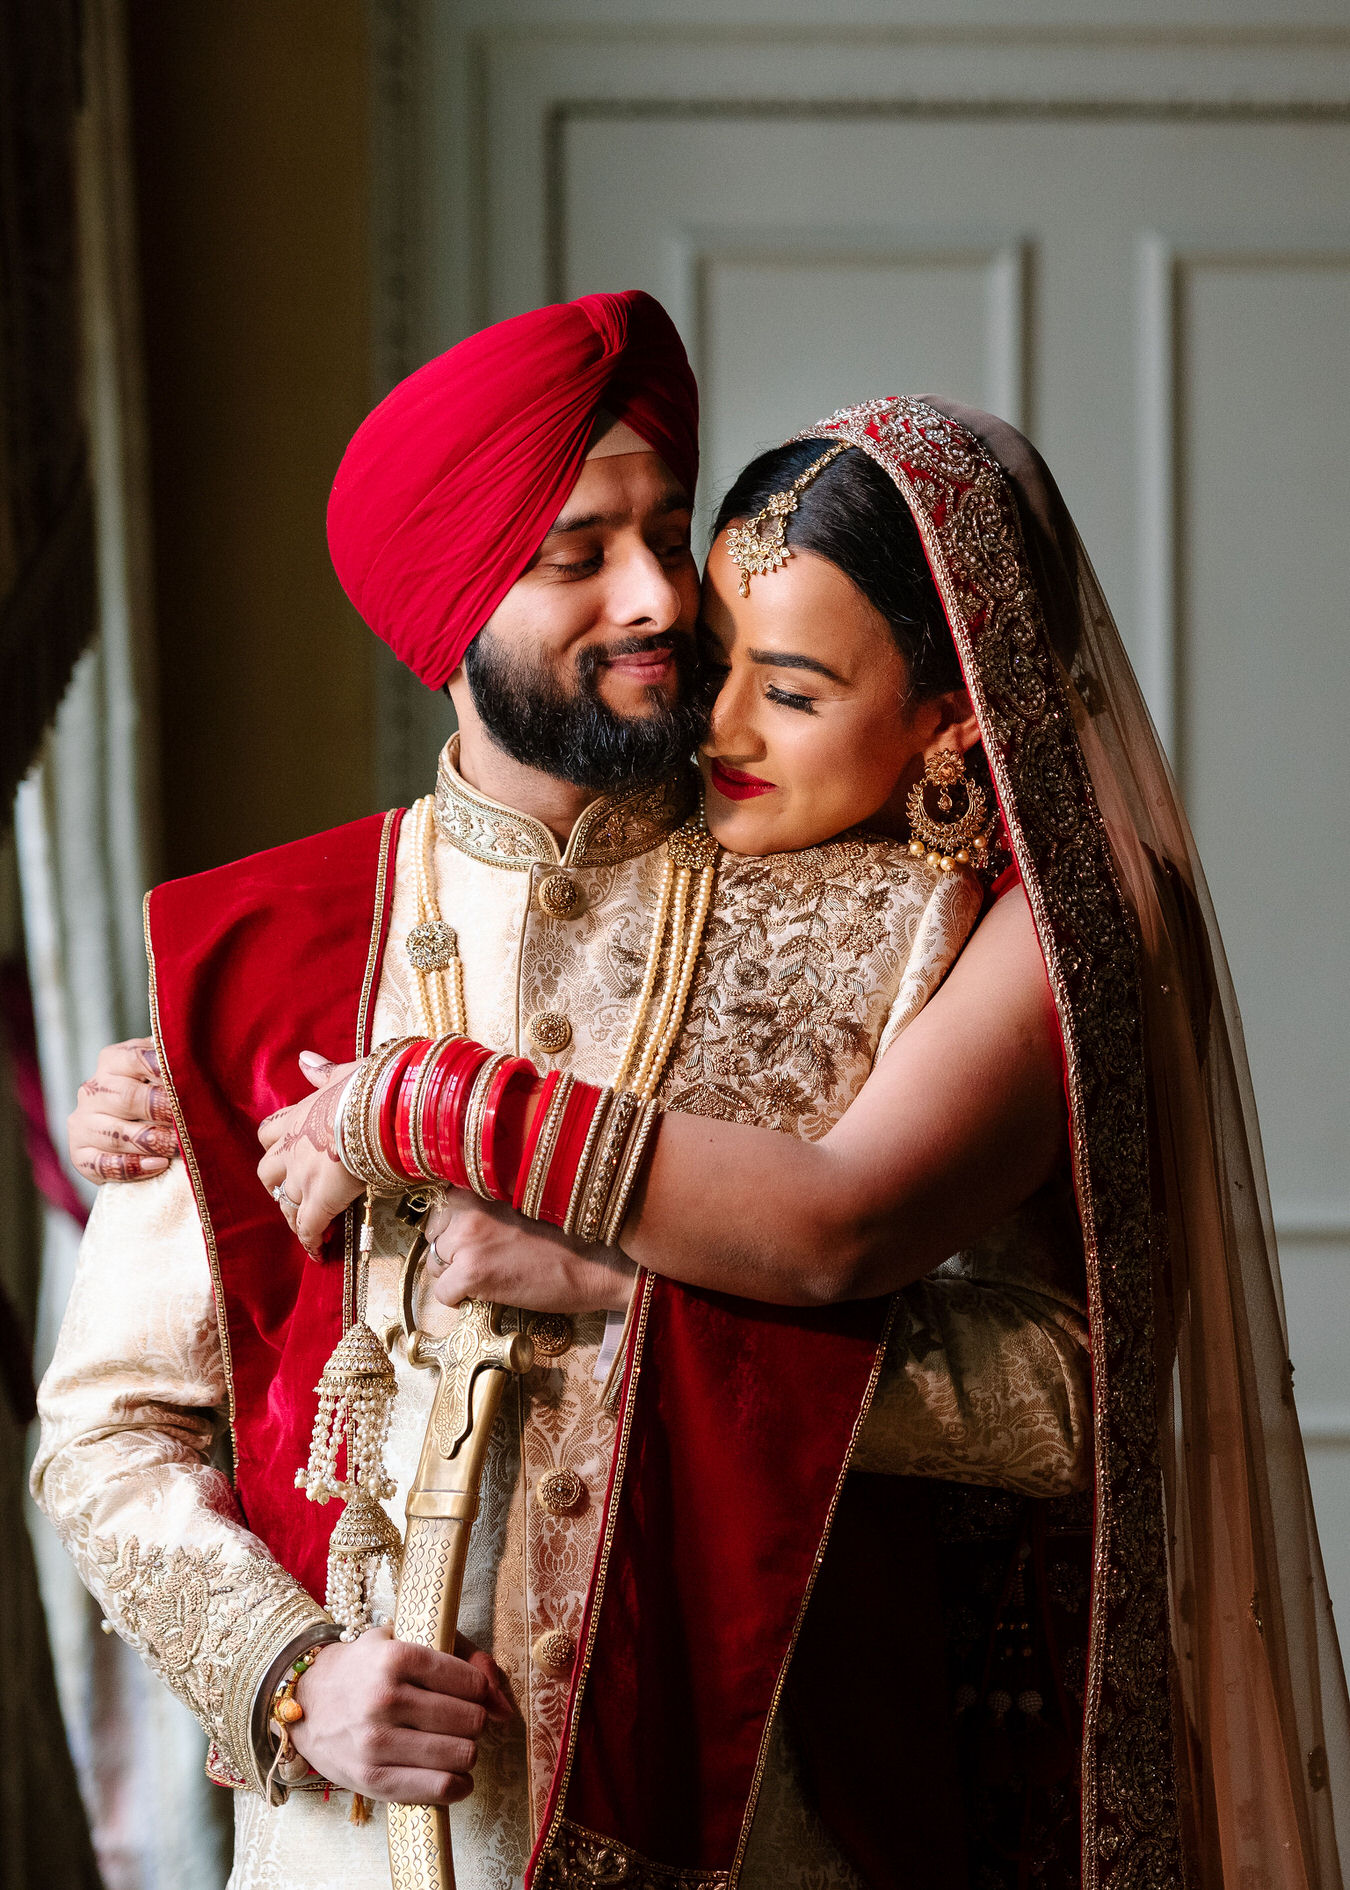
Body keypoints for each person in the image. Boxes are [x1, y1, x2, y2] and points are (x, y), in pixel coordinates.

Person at [38, 302, 1092, 1890]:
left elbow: (1055, 1399)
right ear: (451, 595)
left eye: (668, 530)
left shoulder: (882, 918)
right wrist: (288, 1675)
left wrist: (652, 1310)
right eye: (576, 552)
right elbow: (108, 1432)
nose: (663, 595)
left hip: (780, 1842)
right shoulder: (256, 953)